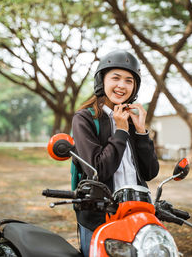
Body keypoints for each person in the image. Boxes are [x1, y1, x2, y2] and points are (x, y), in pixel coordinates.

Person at [72, 49, 159, 257]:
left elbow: (149, 172)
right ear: (102, 81)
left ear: (134, 87)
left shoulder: (131, 119)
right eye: (116, 78)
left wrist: (140, 131)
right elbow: (98, 171)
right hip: (99, 214)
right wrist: (120, 131)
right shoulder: (85, 118)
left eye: (129, 81)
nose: (122, 85)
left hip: (137, 210)